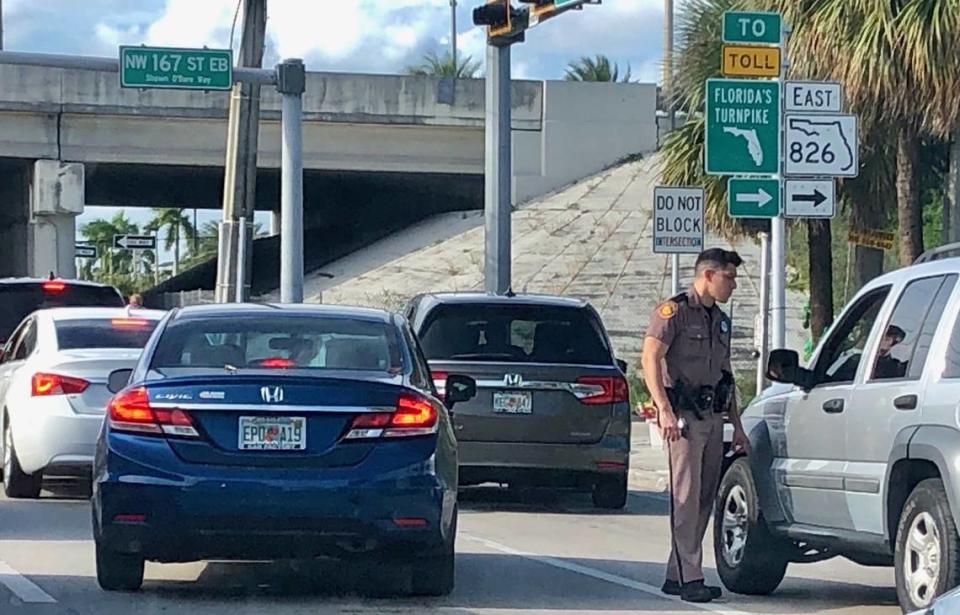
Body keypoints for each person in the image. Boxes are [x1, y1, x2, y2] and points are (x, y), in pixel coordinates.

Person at [641, 248, 750, 604]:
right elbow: (651, 358)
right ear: (708, 275)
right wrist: (664, 410)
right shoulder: (673, 312)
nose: (733, 285)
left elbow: (726, 374)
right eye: (728, 277)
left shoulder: (720, 320)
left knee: (704, 497)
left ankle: (677, 573)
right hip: (683, 419)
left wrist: (737, 425)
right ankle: (692, 576)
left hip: (713, 417)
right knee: (685, 497)